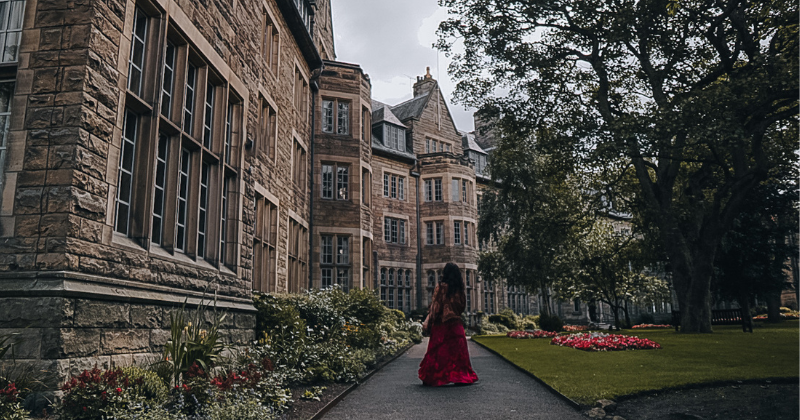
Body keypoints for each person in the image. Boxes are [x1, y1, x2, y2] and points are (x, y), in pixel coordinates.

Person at [418, 262, 479, 386]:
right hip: (455, 324)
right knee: (458, 353)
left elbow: (436, 306)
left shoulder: (440, 287)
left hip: (441, 325)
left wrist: (428, 319)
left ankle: (435, 376)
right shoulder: (460, 289)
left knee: (439, 352)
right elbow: (462, 306)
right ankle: (460, 376)